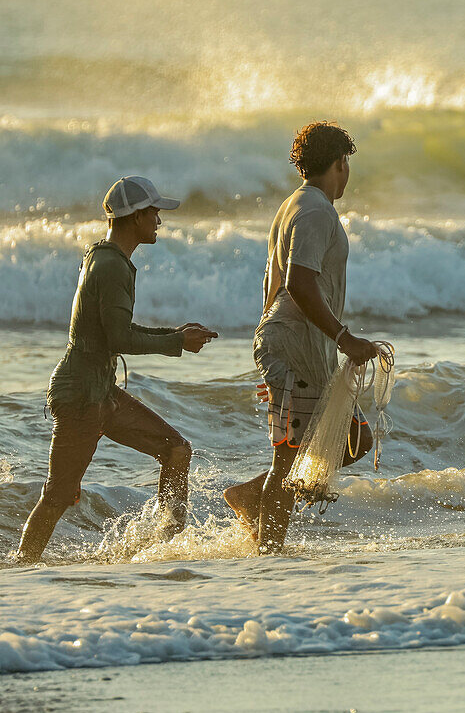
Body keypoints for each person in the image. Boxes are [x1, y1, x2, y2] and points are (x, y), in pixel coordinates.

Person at [16, 176, 218, 563]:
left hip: (101, 394)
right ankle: (21, 569)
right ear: (135, 216)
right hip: (80, 397)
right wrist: (177, 342)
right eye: (154, 211)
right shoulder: (110, 266)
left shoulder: (106, 258)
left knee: (176, 450)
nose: (160, 218)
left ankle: (163, 549)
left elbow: (117, 332)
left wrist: (175, 333)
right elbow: (120, 340)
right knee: (58, 495)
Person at [223, 121, 379, 554]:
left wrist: (273, 355)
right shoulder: (313, 210)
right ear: (339, 164)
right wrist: (344, 337)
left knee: (354, 439)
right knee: (288, 458)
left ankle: (252, 496)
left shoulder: (296, 204)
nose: (347, 173)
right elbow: (298, 283)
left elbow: (272, 283)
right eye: (346, 164)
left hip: (299, 347)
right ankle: (270, 555)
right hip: (296, 342)